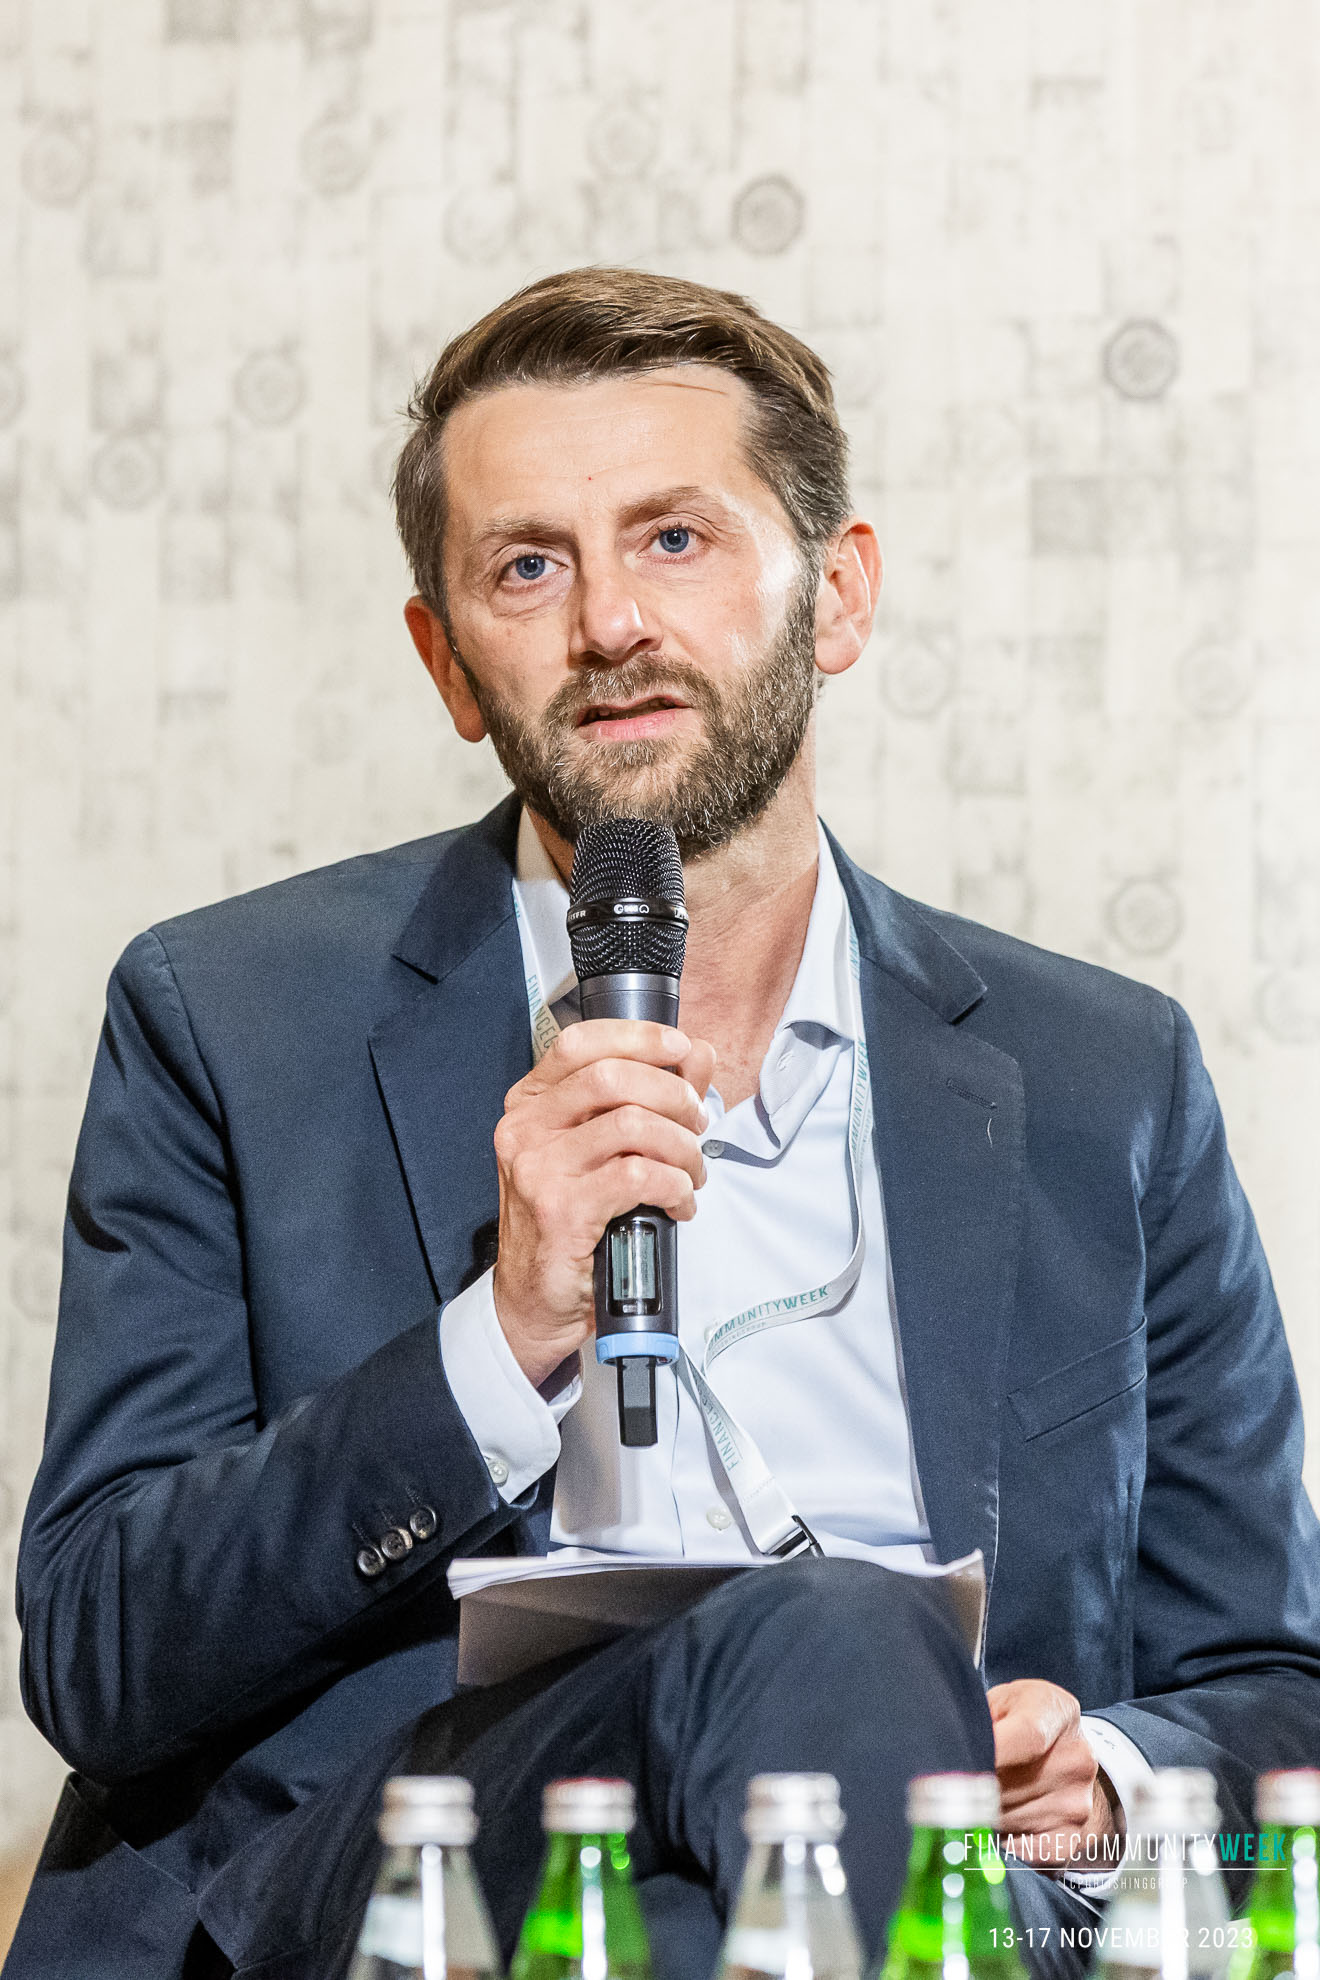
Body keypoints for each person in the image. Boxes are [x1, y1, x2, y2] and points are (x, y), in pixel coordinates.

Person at [9, 269, 1320, 1980]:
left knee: (733, 1892)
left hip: (919, 1883)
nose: (609, 622)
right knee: (830, 1632)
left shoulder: (1105, 1077)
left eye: (676, 540)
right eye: (527, 567)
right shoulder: (231, 1018)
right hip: (417, 1884)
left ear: (838, 596)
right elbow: (100, 1651)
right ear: (447, 662)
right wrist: (499, 1339)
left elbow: (1273, 1685)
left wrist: (1115, 1780)